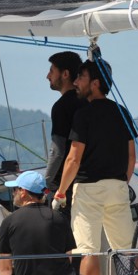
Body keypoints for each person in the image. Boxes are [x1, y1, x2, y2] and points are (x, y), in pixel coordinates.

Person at [53, 58, 137, 275]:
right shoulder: (122, 112)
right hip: (118, 187)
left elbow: (73, 159)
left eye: (81, 78)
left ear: (96, 83)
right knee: (125, 249)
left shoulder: (83, 114)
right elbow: (131, 157)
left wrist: (61, 192)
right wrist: (121, 183)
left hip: (88, 190)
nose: (76, 83)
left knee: (88, 250)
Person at [0, 171, 86, 275]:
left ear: (23, 192)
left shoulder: (9, 222)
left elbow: (5, 270)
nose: (13, 193)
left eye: (15, 189)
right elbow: (68, 258)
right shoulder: (58, 217)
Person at [44, 51, 84, 199]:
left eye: (52, 71)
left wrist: (46, 182)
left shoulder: (61, 107)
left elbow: (58, 150)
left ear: (65, 74)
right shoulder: (87, 102)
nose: (48, 76)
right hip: (86, 178)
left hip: (65, 184)